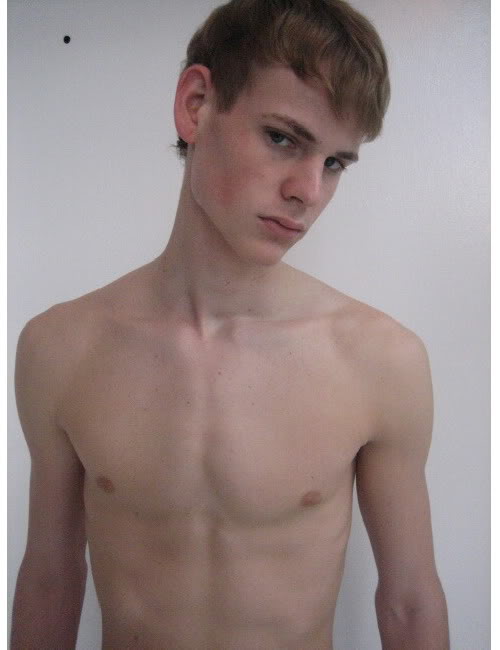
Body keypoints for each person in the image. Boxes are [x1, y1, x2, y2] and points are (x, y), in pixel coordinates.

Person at [11, 0, 450, 648]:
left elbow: (409, 601)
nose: (309, 191)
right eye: (283, 138)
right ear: (196, 106)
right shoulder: (61, 349)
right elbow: (50, 579)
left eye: (335, 162)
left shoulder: (382, 361)